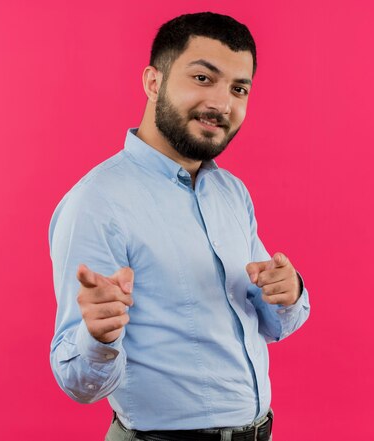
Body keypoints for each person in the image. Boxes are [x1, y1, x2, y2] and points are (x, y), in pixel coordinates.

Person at [49, 12, 311, 441]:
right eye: (203, 78)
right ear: (154, 83)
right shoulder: (97, 203)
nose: (222, 104)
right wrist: (98, 335)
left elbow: (274, 324)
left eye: (238, 88)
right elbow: (77, 381)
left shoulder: (230, 192)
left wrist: (288, 290)